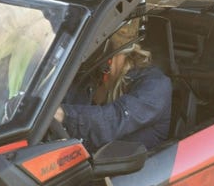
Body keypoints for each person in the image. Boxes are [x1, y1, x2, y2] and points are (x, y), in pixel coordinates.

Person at [56, 20, 171, 152]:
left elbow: (115, 120)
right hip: (79, 163)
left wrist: (64, 114)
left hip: (132, 170)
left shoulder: (155, 85)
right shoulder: (89, 76)